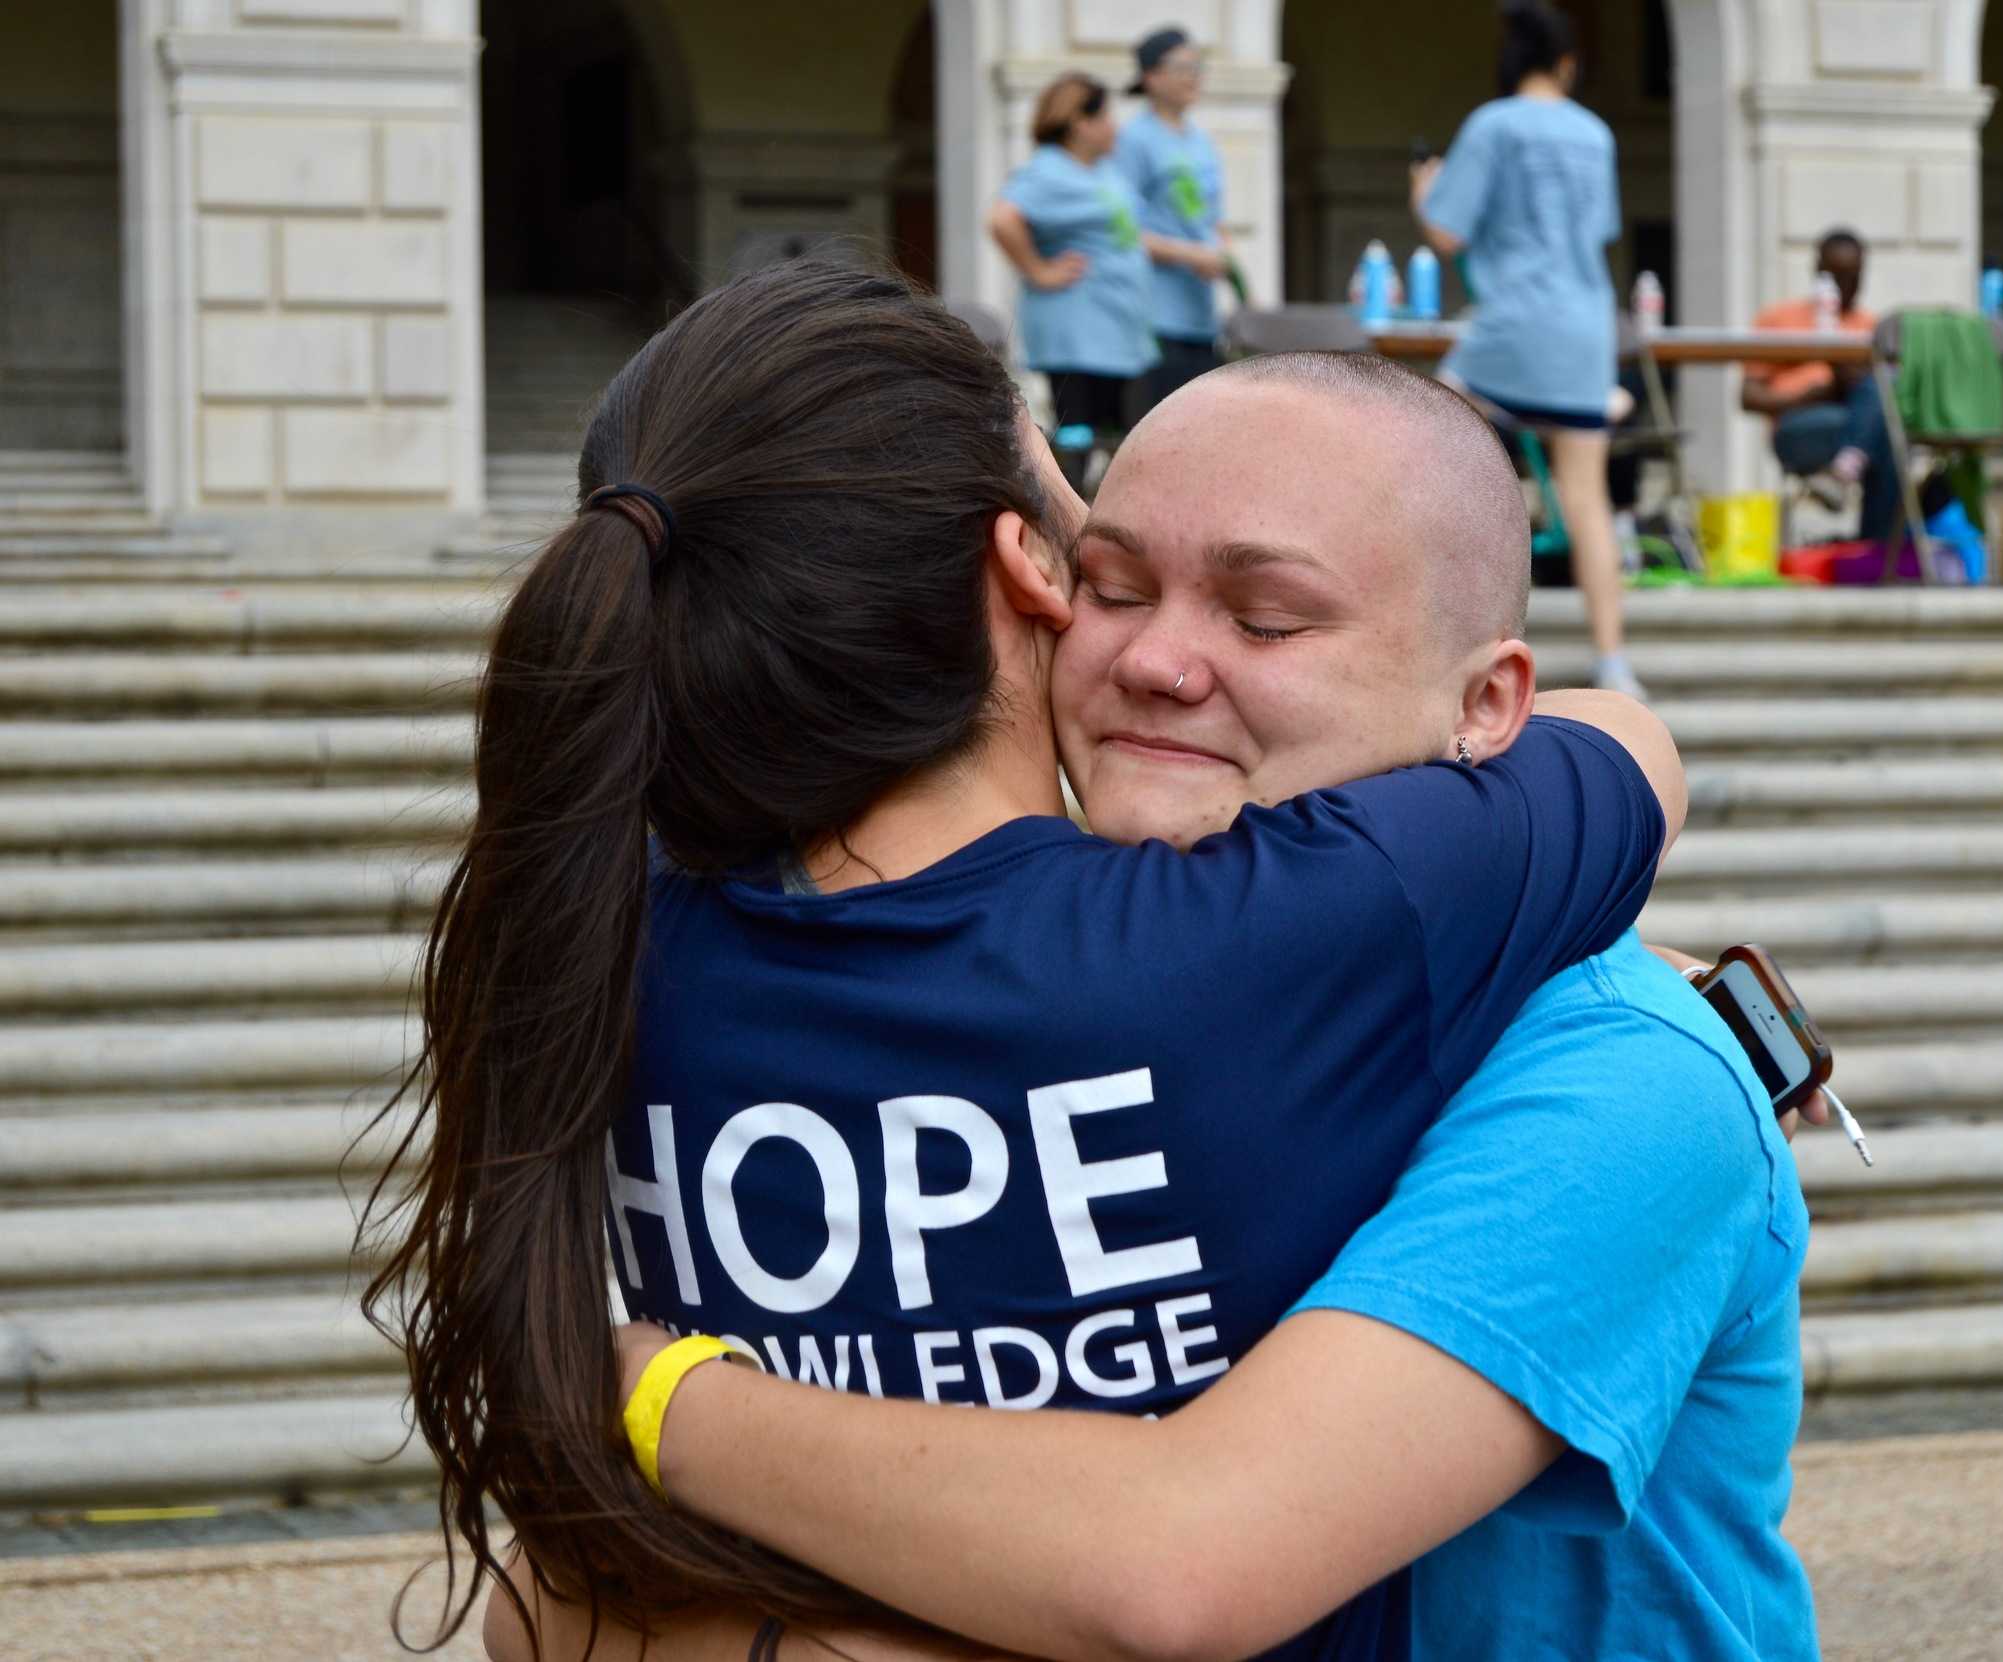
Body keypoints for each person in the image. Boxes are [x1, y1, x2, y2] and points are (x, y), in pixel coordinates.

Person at [366, 260, 1691, 1660]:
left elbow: (545, 1610)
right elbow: (1625, 751)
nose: (1157, 644)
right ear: (1023, 561)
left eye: (1259, 618)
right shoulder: (1294, 929)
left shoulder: (600, 930)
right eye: (1101, 554)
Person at [1412, 2, 1645, 701]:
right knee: (1588, 500)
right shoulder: (1594, 132)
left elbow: (1447, 235)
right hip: (1583, 327)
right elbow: (1595, 229)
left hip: (1513, 326)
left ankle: (1432, 640)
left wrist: (1426, 189)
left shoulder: (1495, 124)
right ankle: (1614, 662)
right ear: (1567, 64)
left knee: (1427, 451)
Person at [989, 73, 1158, 478]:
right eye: (1105, 117)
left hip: (1115, 328)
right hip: (1076, 331)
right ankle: (1066, 524)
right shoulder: (1048, 171)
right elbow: (1003, 219)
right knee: (1078, 432)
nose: (1114, 127)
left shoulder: (1100, 171)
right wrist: (1038, 270)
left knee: (1116, 432)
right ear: (1080, 123)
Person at [1742, 230, 1899, 544]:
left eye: (1852, 277)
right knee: (1889, 435)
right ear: (1818, 271)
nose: (1844, 287)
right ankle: (1876, 552)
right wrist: (1805, 397)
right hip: (1798, 427)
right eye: (1835, 276)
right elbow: (1748, 396)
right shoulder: (1779, 318)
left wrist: (1846, 380)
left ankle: (1845, 472)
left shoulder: (1870, 326)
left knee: (1886, 411)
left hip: (1853, 420)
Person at [1114, 26, 1233, 420]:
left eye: (1197, 66)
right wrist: (1189, 254)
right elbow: (1122, 230)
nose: (1193, 76)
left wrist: (1221, 248)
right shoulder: (1133, 139)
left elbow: (1211, 218)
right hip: (1155, 318)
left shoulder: (1201, 141)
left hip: (1201, 318)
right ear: (1151, 77)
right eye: (1182, 67)